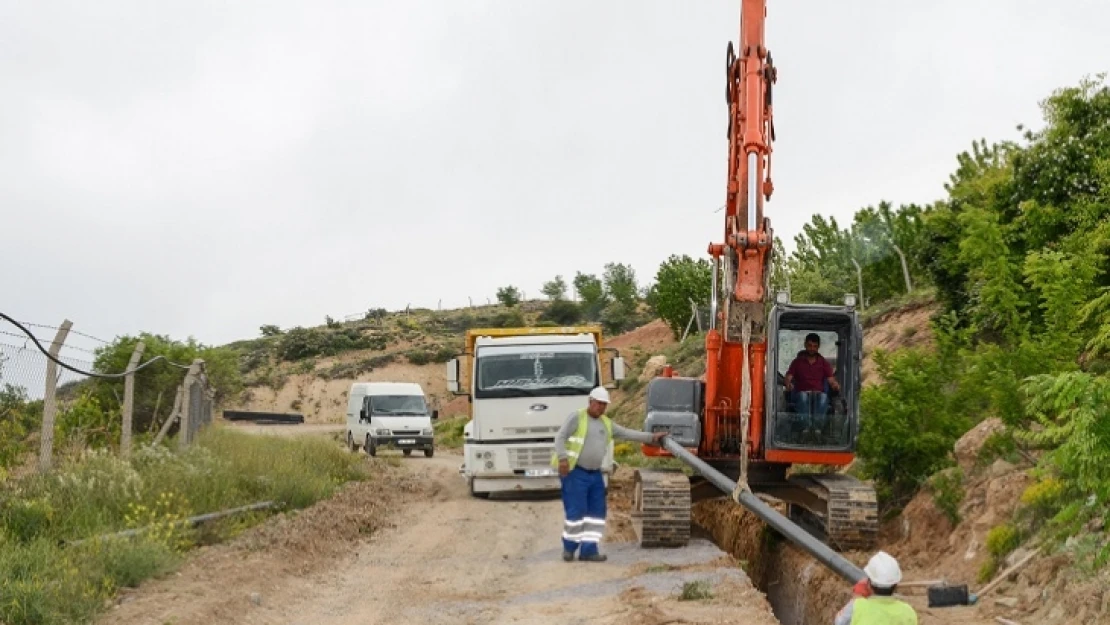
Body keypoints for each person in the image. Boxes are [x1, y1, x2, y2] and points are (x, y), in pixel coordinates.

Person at [552, 386, 667, 562]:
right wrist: (562, 459)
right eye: (599, 404)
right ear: (590, 402)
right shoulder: (577, 417)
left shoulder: (606, 423)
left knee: (597, 513)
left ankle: (589, 550)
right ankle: (569, 548)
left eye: (604, 405)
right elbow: (560, 437)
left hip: (594, 475)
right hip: (576, 473)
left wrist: (652, 438)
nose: (601, 408)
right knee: (577, 511)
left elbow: (627, 433)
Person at [834, 551, 918, 625]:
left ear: (869, 584)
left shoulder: (857, 606)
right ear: (895, 585)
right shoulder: (908, 612)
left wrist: (857, 597)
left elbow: (839, 622)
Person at [784, 332, 840, 434]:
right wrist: (788, 383)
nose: (812, 348)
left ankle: (817, 429)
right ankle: (806, 428)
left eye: (815, 346)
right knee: (802, 396)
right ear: (805, 345)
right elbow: (788, 377)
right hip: (801, 393)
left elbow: (831, 380)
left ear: (818, 347)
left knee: (824, 397)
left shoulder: (824, 363)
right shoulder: (797, 362)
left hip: (818, 394)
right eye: (810, 346)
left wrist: (835, 385)